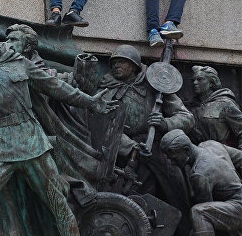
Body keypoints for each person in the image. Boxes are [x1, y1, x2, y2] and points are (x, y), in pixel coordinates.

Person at [0, 16, 118, 236]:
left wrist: (90, 102)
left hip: (32, 144)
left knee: (56, 200)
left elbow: (56, 88)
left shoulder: (18, 63)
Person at [97, 44, 193, 234]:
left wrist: (166, 123)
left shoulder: (155, 85)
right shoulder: (106, 90)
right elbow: (103, 125)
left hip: (159, 147)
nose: (116, 66)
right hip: (129, 153)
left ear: (134, 65)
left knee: (177, 191)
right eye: (114, 62)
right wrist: (131, 147)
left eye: (122, 62)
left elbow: (187, 117)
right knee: (134, 199)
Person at [161, 130, 242, 235]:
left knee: (198, 212)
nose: (172, 163)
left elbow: (206, 209)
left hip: (238, 207)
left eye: (174, 158)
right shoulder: (211, 145)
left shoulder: (199, 174)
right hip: (235, 204)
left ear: (186, 150)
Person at [185, 66, 242, 149]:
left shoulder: (224, 104)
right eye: (193, 80)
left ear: (211, 83)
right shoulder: (189, 107)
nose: (195, 83)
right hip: (194, 155)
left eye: (199, 79)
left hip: (219, 154)